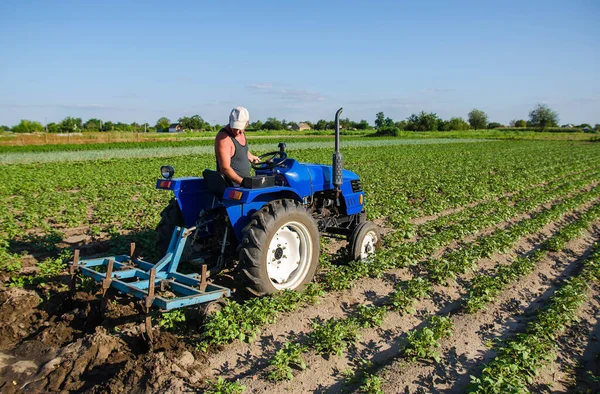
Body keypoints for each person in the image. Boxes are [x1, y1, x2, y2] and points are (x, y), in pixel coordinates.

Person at [215, 106, 260, 184]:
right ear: (230, 120)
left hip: (244, 181)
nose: (237, 132)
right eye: (235, 128)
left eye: (240, 128)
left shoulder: (241, 133)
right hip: (232, 185)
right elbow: (225, 168)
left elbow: (239, 150)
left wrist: (250, 156)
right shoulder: (223, 138)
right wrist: (243, 183)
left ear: (247, 123)